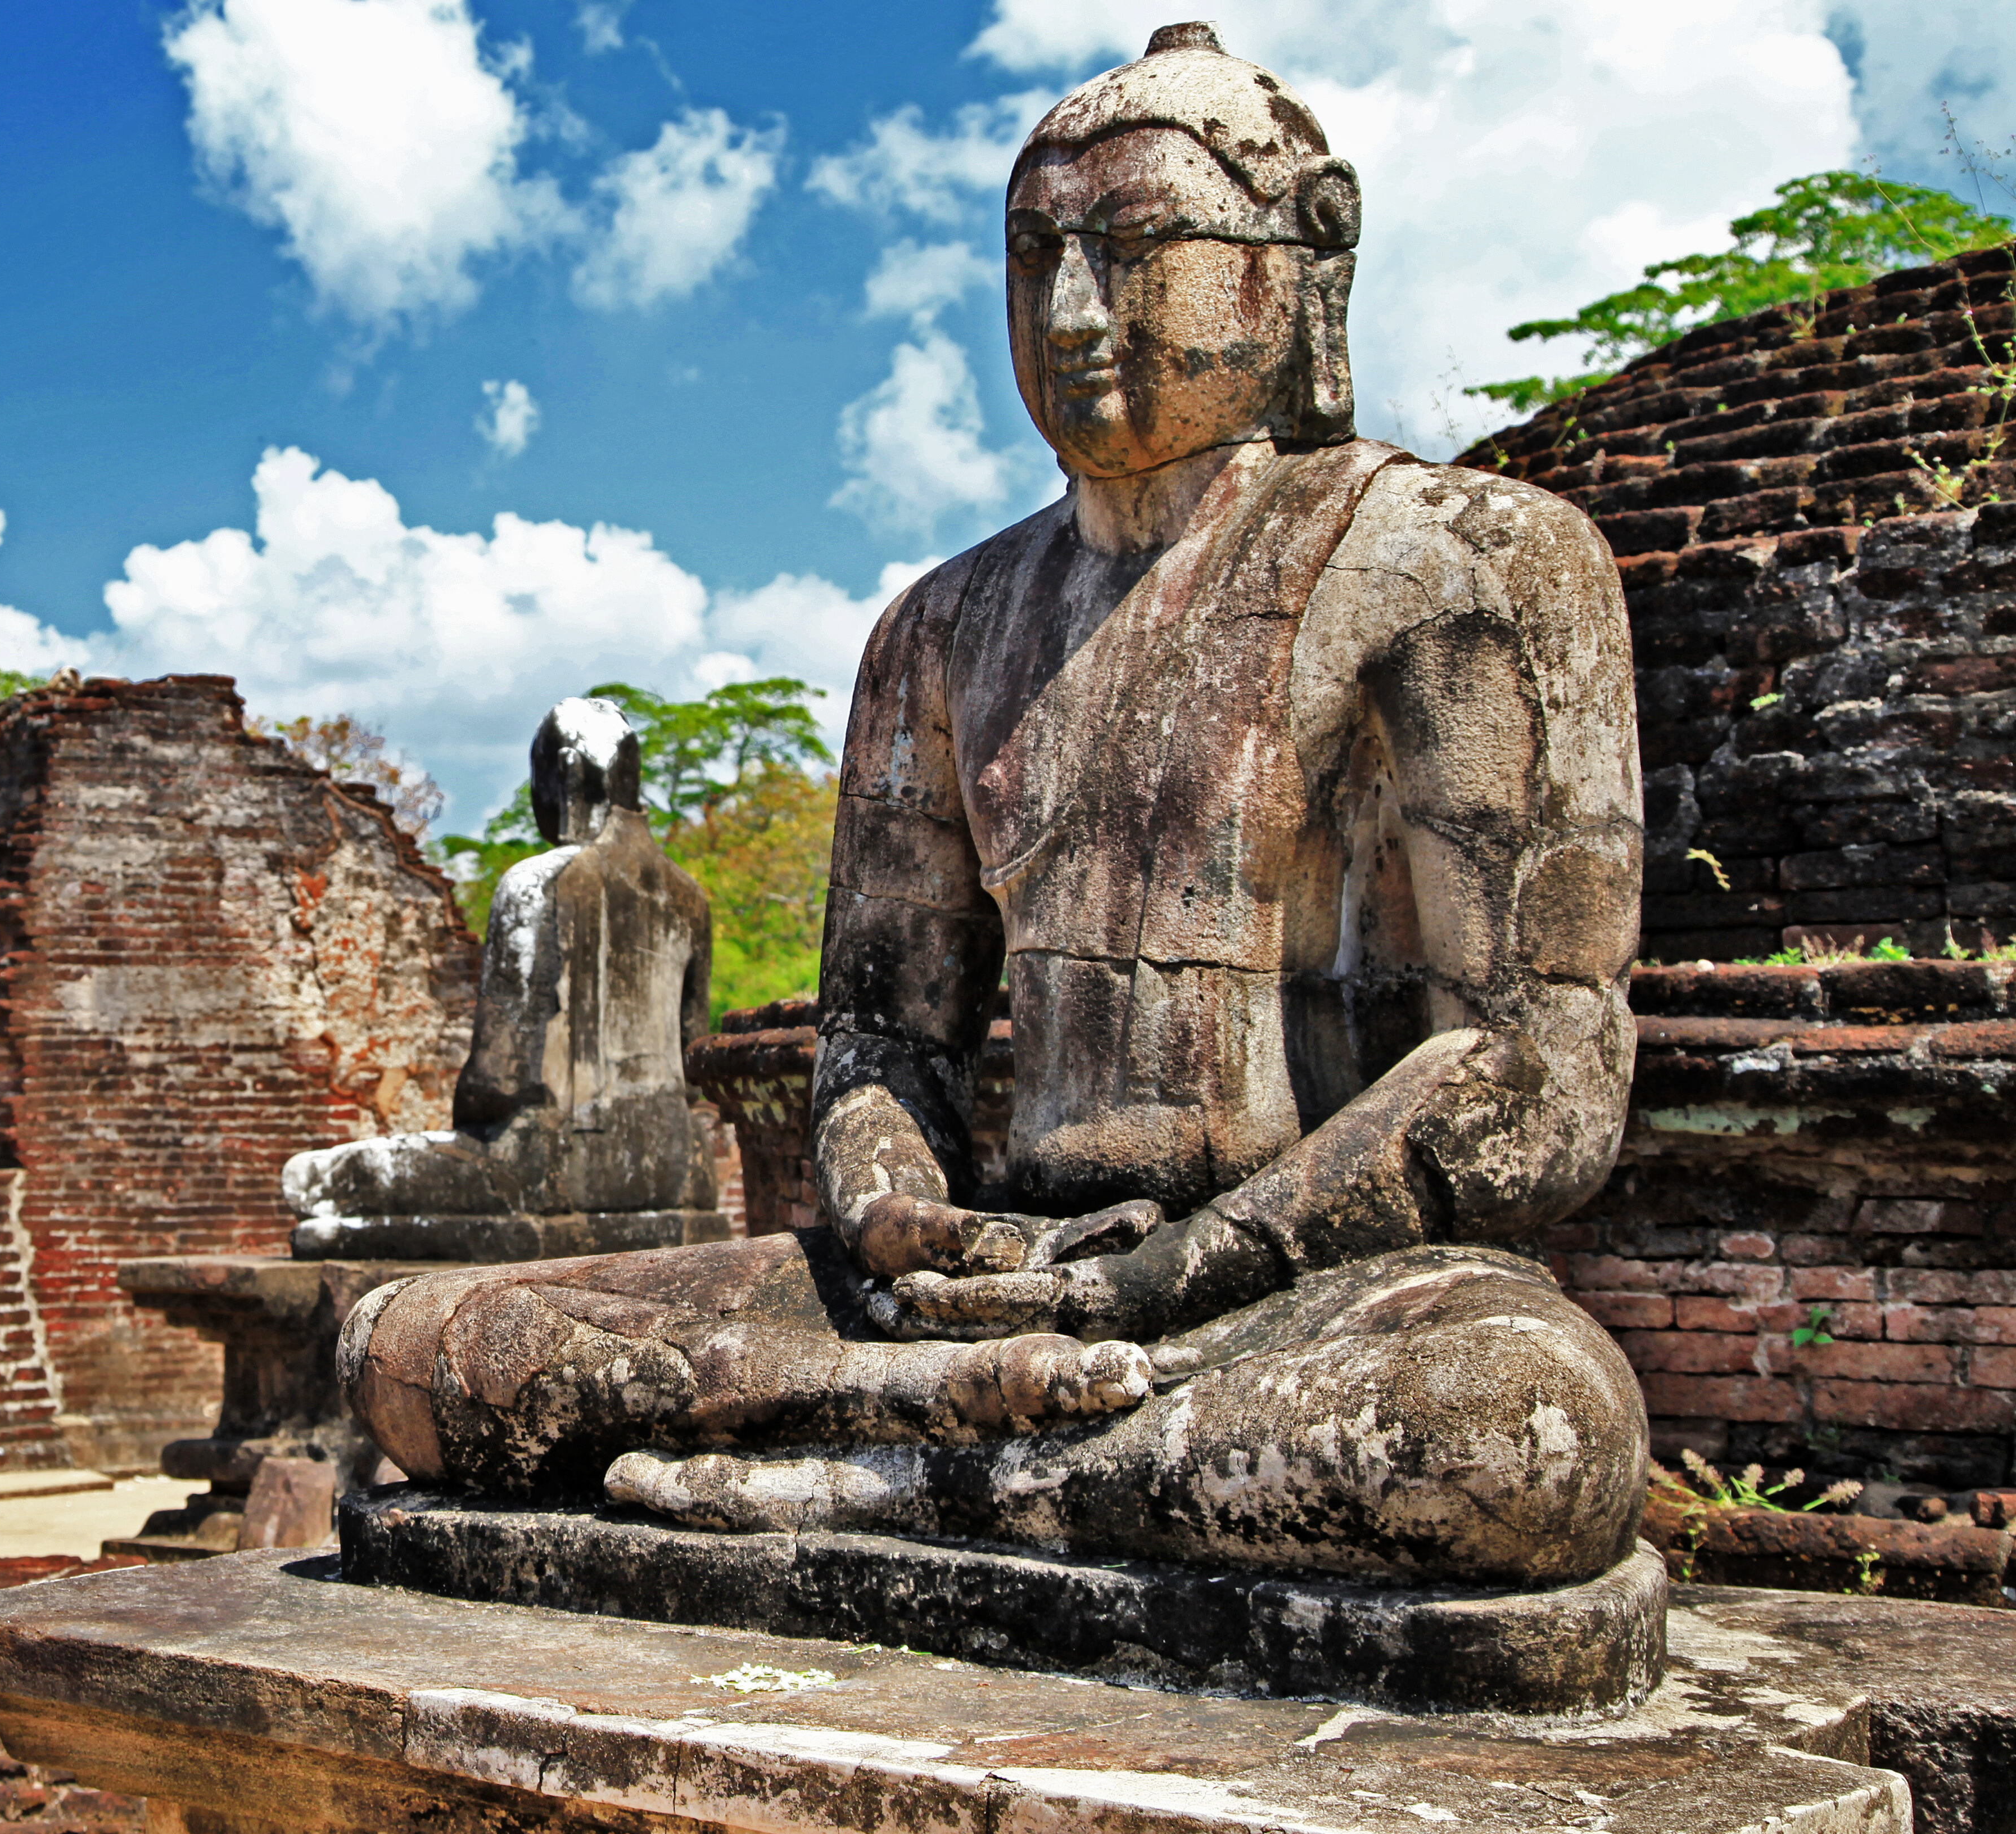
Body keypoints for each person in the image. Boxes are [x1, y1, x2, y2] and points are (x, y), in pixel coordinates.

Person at [337, 24, 1649, 1588]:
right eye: (1035, 258)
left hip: (1291, 1288)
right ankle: (941, 1427)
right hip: (989, 1279)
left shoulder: (1467, 565)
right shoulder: (942, 628)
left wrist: (1171, 1275)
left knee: (1516, 1431)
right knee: (409, 1349)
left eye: (1141, 246)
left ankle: (881, 1470)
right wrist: (894, 1199)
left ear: (1303, 254)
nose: (1076, 311)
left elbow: (1533, 1078)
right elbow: (885, 1042)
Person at [283, 697, 722, 1263]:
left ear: (564, 772)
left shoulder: (538, 884)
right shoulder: (689, 898)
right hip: (675, 1170)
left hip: (550, 1167)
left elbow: (498, 1079)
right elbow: (693, 1074)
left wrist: (468, 1117)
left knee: (312, 1181)